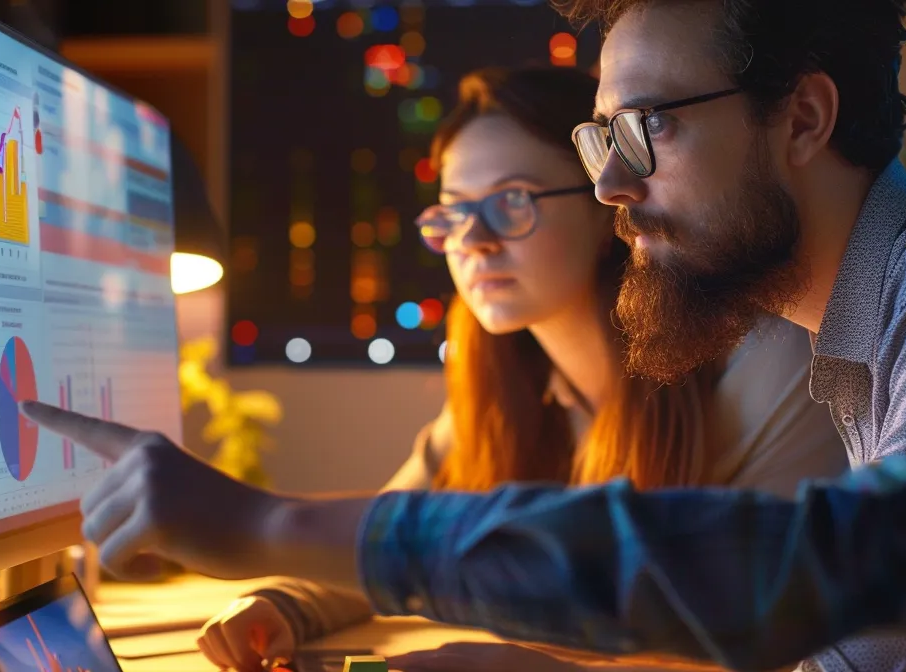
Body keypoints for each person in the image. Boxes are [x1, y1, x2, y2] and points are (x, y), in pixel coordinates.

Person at [22, 0, 906, 668]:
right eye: (599, 142)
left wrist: (267, 526)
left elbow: (834, 574)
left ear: (804, 124)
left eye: (645, 134)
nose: (611, 186)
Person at [190, 66, 846, 672]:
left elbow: (781, 642)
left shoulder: (764, 363)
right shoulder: (512, 392)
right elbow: (391, 535)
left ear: (607, 207)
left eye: (511, 201)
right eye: (453, 211)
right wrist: (284, 604)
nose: (473, 242)